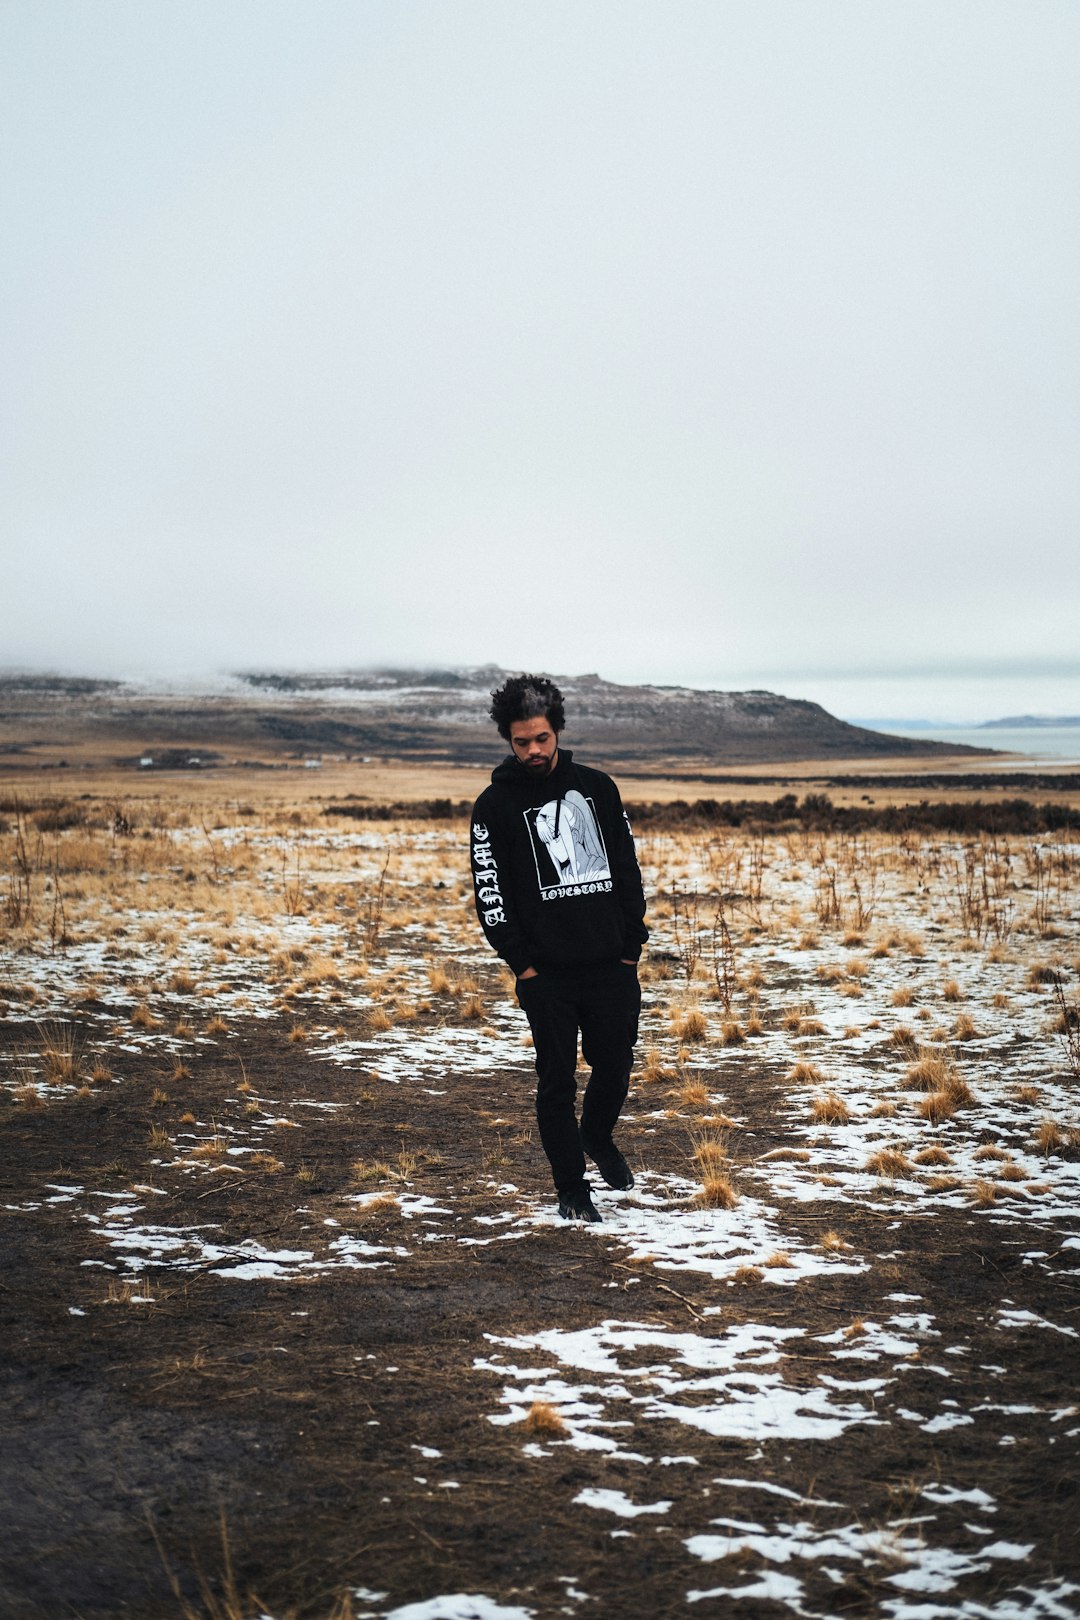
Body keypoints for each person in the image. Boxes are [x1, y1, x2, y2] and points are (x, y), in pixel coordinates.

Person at [470, 673, 648, 1222]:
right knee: (556, 1083)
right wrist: (522, 966)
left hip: (610, 965)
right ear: (508, 739)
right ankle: (571, 1189)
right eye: (521, 742)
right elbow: (490, 893)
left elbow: (625, 867)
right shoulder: (493, 807)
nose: (532, 751)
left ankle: (596, 1135)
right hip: (545, 975)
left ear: (557, 732)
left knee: (615, 1068)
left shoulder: (598, 788)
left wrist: (629, 948)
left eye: (541, 739)